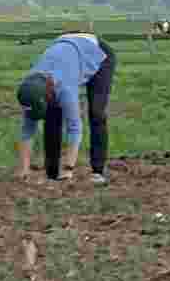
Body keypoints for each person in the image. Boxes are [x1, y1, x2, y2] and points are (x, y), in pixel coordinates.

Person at [15, 28, 115, 182]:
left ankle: (97, 171)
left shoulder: (65, 87)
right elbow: (27, 130)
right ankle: (52, 173)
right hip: (66, 50)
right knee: (52, 115)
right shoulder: (30, 89)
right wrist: (23, 169)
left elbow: (74, 127)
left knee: (96, 111)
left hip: (96, 51)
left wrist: (68, 169)